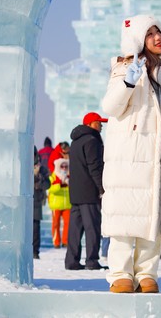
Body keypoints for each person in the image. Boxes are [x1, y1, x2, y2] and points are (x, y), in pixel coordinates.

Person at [101, 14, 161, 294]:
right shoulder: (126, 68)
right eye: (150, 34)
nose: (157, 38)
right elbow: (111, 107)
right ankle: (120, 273)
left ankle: (147, 273)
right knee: (126, 216)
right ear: (138, 40)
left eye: (159, 32)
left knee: (154, 214)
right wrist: (129, 82)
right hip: (130, 153)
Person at [65, 112, 107, 271]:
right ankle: (92, 260)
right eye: (99, 123)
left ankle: (71, 260)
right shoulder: (91, 141)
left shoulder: (75, 142)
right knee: (92, 228)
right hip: (89, 192)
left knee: (75, 229)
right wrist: (102, 188)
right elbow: (94, 167)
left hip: (76, 192)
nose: (101, 126)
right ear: (90, 124)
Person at [48, 157, 71, 249]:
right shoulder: (53, 177)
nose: (64, 168)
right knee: (55, 224)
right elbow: (50, 189)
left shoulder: (70, 177)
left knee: (68, 224)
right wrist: (59, 185)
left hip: (67, 204)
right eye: (62, 166)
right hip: (56, 204)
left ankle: (66, 241)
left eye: (66, 166)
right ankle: (56, 242)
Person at [33, 146, 50, 258]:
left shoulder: (42, 169)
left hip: (36, 202)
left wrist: (39, 176)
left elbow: (47, 185)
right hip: (25, 204)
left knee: (35, 228)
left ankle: (35, 251)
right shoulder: (21, 165)